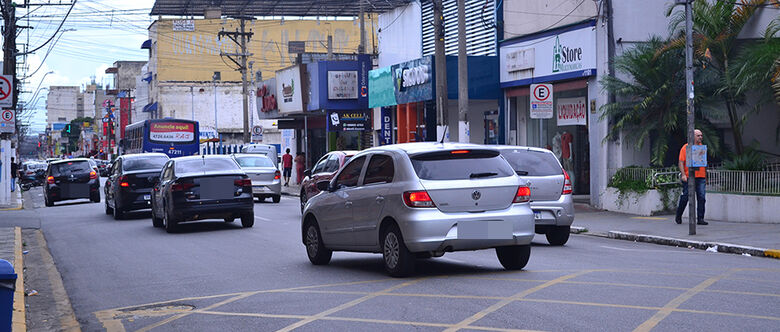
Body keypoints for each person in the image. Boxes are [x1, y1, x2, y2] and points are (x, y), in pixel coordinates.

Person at [675, 129, 707, 225]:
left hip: (701, 176)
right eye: (698, 135)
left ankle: (700, 218)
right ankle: (678, 215)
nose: (700, 137)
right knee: (685, 196)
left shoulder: (702, 147)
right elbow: (681, 162)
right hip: (689, 176)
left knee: (701, 197)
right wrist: (683, 174)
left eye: (701, 135)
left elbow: (704, 162)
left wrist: (705, 176)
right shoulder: (686, 147)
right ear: (692, 136)